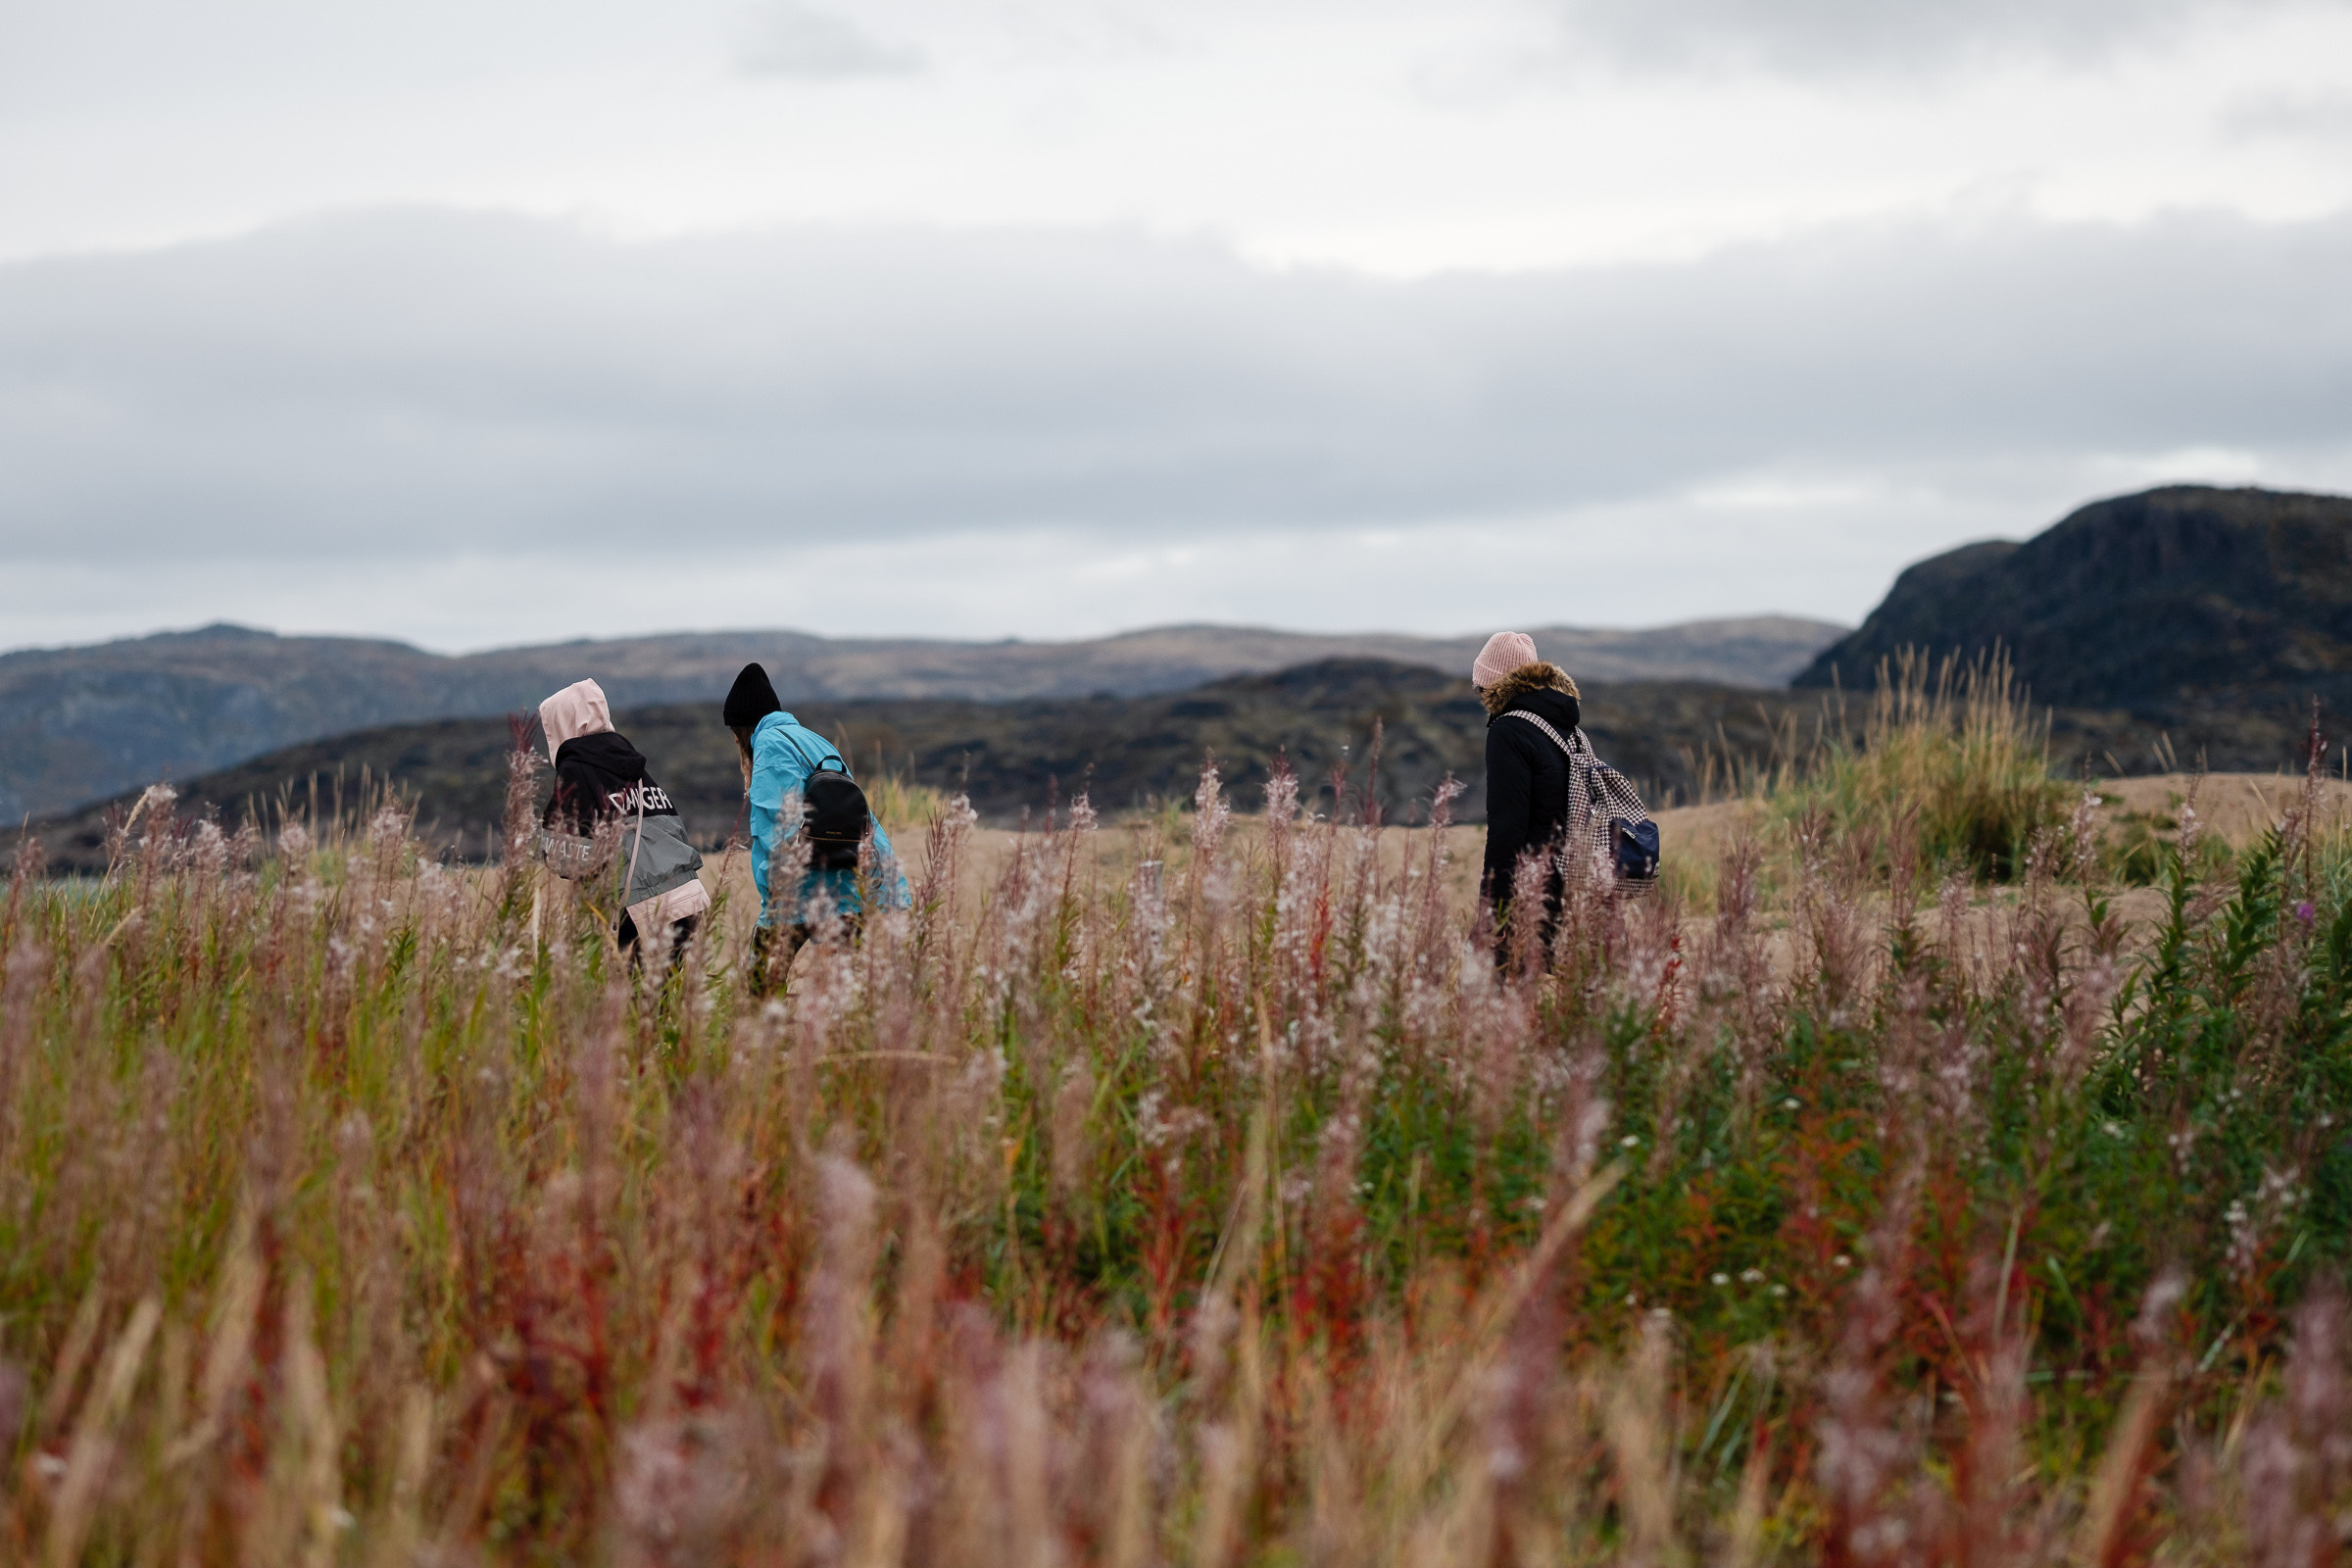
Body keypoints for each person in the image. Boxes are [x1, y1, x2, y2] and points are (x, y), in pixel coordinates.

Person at [721, 662, 909, 991]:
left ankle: (767, 1043)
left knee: (760, 990)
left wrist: (774, 899)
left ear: (742, 729)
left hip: (801, 890)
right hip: (855, 880)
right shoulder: (813, 740)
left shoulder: (768, 744)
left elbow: (777, 824)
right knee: (847, 995)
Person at [538, 679, 710, 973]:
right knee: (665, 1004)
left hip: (638, 913)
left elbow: (566, 857)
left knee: (635, 1009)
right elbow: (674, 831)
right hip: (688, 900)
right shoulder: (634, 766)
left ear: (560, 726)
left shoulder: (575, 770)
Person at [1474, 632, 1587, 956]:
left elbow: (1507, 830)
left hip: (1527, 893)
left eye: (1480, 684)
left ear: (1493, 683)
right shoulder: (1567, 729)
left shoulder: (1508, 731)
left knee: (1496, 994)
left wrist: (1491, 912)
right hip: (1572, 888)